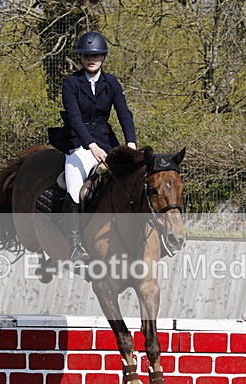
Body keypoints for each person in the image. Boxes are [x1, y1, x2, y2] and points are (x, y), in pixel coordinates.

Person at [55, 31, 137, 263]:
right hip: (78, 144)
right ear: (80, 58)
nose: (92, 59)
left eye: (97, 55)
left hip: (106, 141)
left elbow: (124, 113)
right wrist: (91, 146)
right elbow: (74, 118)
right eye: (87, 55)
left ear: (103, 57)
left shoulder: (111, 82)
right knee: (74, 191)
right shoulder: (70, 83)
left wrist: (130, 144)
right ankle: (74, 247)